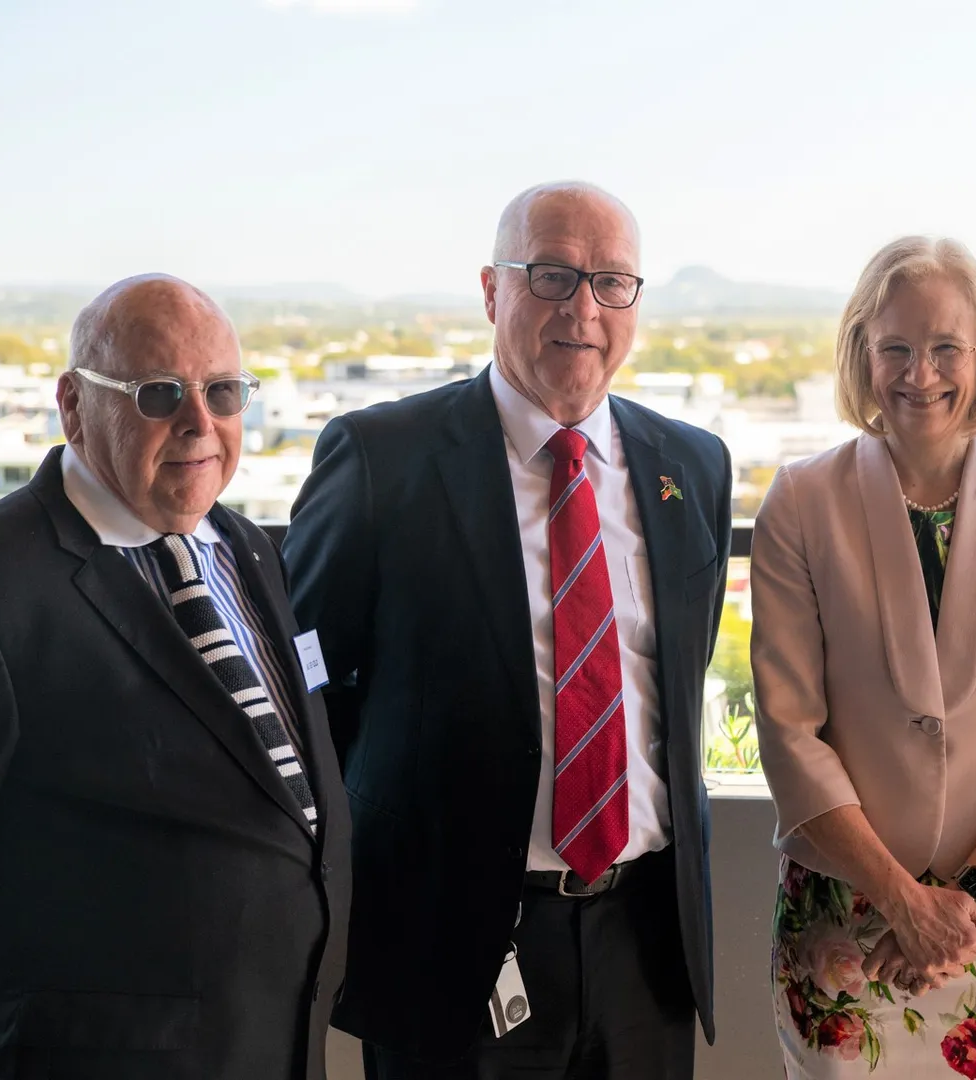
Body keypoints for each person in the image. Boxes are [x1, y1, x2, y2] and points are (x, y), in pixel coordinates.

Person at [0, 274, 352, 1079]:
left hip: (278, 1045)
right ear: (73, 405)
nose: (200, 422)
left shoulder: (247, 547)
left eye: (222, 391)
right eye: (159, 394)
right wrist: (6, 1036)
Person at [282, 181, 731, 1079]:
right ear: (492, 291)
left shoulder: (693, 465)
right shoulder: (381, 460)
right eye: (552, 275)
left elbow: (676, 680)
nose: (583, 309)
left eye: (611, 282)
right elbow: (308, 693)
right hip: (449, 944)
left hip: (645, 942)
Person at [750, 236, 976, 1079]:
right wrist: (902, 902)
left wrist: (960, 903)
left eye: (946, 347)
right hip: (846, 927)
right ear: (861, 354)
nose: (921, 373)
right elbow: (790, 734)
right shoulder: (799, 502)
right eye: (896, 348)